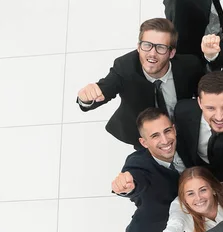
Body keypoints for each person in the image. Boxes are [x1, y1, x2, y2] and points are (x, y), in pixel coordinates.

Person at [76, 18, 204, 148]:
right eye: (147, 45)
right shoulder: (124, 68)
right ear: (138, 47)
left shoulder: (190, 65)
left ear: (171, 53)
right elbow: (102, 91)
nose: (152, 54)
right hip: (145, 137)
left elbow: (207, 92)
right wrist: (85, 98)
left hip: (183, 129)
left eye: (160, 47)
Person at [111, 108, 186, 232]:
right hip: (162, 210)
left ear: (174, 130)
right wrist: (127, 187)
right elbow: (136, 178)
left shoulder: (187, 144)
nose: (165, 141)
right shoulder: (137, 164)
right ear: (144, 143)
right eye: (155, 136)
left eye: (167, 131)